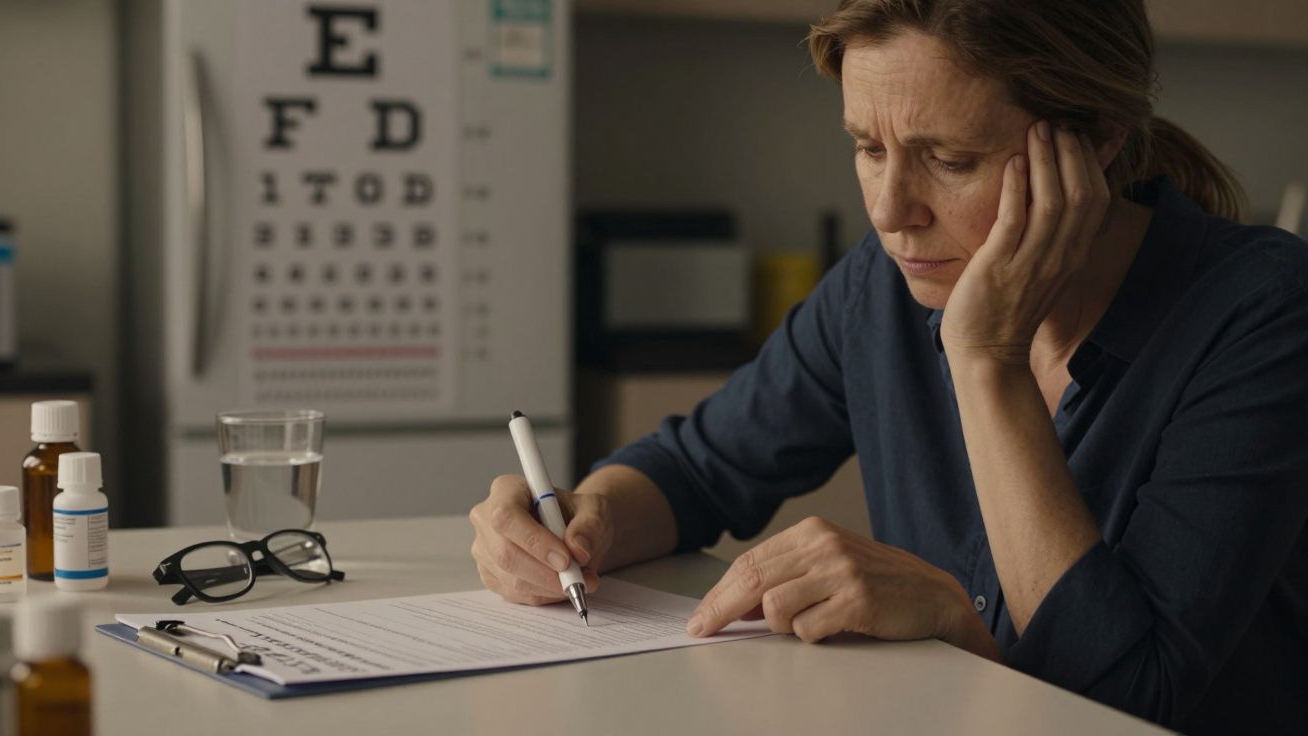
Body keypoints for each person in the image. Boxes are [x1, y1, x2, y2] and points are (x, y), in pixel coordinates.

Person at [470, 1, 1308, 732]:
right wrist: (583, 523)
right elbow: (696, 469)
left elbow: (1125, 702)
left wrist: (985, 360)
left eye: (949, 160)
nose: (888, 210)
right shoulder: (882, 286)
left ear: (1095, 141)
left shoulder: (1263, 310)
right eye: (868, 147)